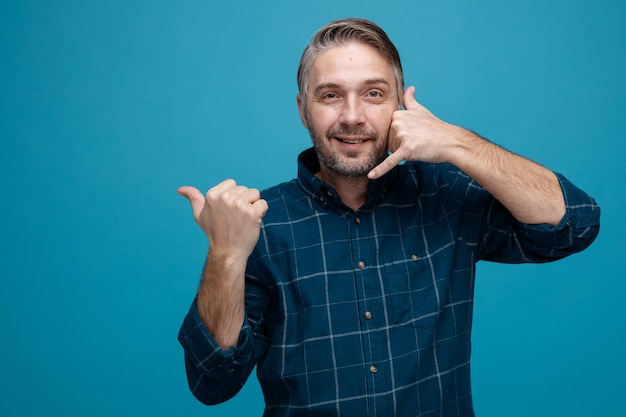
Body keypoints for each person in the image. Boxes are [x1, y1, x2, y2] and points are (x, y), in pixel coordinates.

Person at [177, 18, 600, 417]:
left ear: (400, 103)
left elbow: (573, 226)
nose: (352, 116)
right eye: (330, 95)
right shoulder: (259, 224)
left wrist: (458, 143)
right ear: (303, 110)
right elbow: (214, 382)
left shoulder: (445, 194)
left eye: (373, 94)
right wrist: (226, 256)